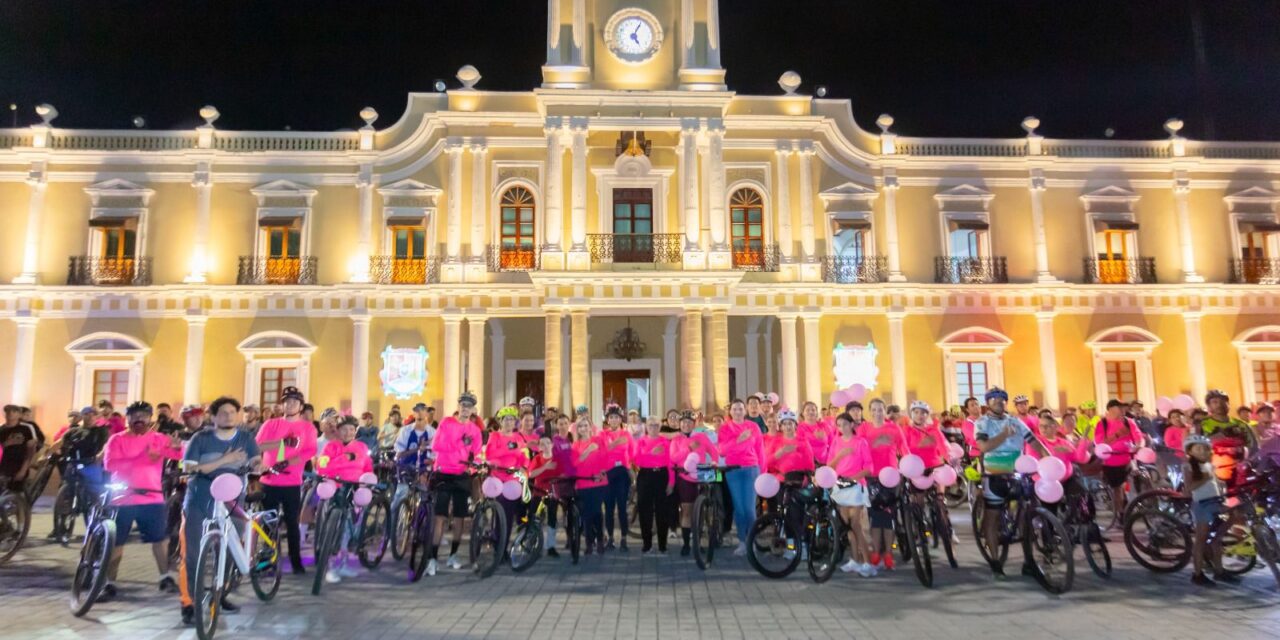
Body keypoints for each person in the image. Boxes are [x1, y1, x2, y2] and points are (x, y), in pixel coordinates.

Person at [178, 396, 260, 624]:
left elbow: (256, 459)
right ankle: (189, 603)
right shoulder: (200, 439)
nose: (228, 416)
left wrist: (257, 464)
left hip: (233, 499)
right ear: (213, 417)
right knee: (192, 553)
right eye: (223, 413)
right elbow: (190, 468)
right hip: (199, 499)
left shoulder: (245, 437)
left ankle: (219, 594)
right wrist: (226, 459)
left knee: (230, 550)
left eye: (233, 412)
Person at [100, 401, 183, 602]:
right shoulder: (116, 440)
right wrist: (142, 457)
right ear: (127, 418)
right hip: (123, 498)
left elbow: (177, 455)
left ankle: (165, 577)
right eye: (134, 416)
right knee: (116, 542)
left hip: (152, 496)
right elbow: (110, 464)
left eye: (144, 416)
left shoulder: (159, 438)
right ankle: (109, 583)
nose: (139, 419)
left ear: (150, 418)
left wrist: (177, 447)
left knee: (159, 540)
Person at [975, 387, 1048, 577]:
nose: (999, 402)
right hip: (995, 472)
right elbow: (983, 446)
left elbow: (1034, 443)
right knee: (993, 516)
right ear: (988, 403)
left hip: (1017, 470)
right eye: (994, 399)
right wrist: (1004, 435)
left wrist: (1048, 459)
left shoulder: (1015, 421)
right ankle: (995, 560)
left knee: (1027, 514)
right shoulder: (982, 422)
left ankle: (1029, 561)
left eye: (1002, 399)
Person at [255, 386, 317, 575]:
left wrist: (288, 462)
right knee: (267, 522)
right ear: (282, 404)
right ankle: (267, 558)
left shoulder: (307, 427)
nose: (290, 405)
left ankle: (295, 560)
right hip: (269, 480)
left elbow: (310, 451)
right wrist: (279, 446)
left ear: (300, 405)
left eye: (294, 402)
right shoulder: (270, 424)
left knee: (292, 522)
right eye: (287, 401)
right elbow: (257, 445)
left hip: (291, 482)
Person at [429, 392, 483, 573]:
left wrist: (475, 467)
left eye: (469, 406)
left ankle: (453, 555)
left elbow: (476, 454)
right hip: (443, 473)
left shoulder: (475, 430)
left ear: (473, 410)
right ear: (459, 407)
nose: (466, 409)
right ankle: (433, 558)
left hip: (461, 475)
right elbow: (436, 446)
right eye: (463, 405)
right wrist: (459, 444)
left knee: (461, 518)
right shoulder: (446, 423)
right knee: (440, 517)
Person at [317, 415, 374, 583]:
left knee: (352, 527)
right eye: (344, 429)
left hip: (356, 489)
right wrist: (345, 459)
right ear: (338, 431)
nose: (348, 433)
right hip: (336, 488)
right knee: (334, 528)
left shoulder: (362, 447)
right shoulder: (329, 447)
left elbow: (368, 468)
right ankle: (332, 565)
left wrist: (368, 480)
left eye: (351, 430)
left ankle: (343, 562)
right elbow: (322, 466)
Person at [856, 398, 907, 570]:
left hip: (891, 475)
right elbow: (858, 450)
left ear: (885, 411)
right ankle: (877, 552)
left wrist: (908, 466)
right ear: (870, 412)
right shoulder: (864, 428)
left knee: (889, 516)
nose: (878, 413)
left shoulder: (893, 428)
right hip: (871, 476)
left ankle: (889, 554)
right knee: (875, 517)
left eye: (880, 409)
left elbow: (904, 449)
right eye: (874, 410)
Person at [826, 412, 876, 576]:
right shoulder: (836, 442)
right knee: (847, 526)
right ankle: (855, 559)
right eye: (839, 425)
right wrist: (840, 456)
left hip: (855, 487)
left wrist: (853, 479)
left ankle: (868, 562)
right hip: (840, 486)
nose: (842, 428)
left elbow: (869, 467)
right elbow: (829, 465)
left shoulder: (860, 442)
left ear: (852, 425)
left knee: (856, 524)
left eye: (845, 424)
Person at [719, 399, 765, 557]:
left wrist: (762, 472)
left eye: (740, 409)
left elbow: (760, 450)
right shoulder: (725, 428)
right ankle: (742, 541)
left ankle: (752, 541)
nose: (738, 412)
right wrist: (739, 439)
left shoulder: (753, 427)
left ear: (745, 411)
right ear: (730, 412)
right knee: (739, 509)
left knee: (750, 509)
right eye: (735, 409)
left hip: (751, 469)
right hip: (733, 471)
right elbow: (722, 450)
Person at [767, 410, 815, 560]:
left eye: (790, 424)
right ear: (781, 426)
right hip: (782, 482)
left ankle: (804, 547)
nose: (788, 427)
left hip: (800, 481)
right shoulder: (776, 442)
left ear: (795, 425)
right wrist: (780, 453)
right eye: (785, 424)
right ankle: (790, 547)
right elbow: (767, 462)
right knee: (786, 515)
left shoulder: (802, 441)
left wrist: (808, 477)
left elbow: (810, 463)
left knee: (801, 515)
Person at [669, 410, 717, 556]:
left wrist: (714, 461)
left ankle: (698, 541)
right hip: (685, 477)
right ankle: (686, 544)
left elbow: (713, 451)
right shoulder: (676, 440)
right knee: (687, 511)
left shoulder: (702, 436)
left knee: (702, 511)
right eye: (683, 422)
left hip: (702, 474)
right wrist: (688, 449)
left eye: (689, 423)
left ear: (694, 424)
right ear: (680, 424)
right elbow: (673, 458)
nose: (686, 425)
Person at [484, 407, 530, 560]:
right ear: (501, 421)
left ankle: (503, 547)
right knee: (500, 513)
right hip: (497, 479)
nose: (509, 422)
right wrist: (511, 451)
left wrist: (524, 466)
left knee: (508, 515)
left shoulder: (518, 437)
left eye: (512, 419)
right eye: (506, 419)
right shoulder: (494, 436)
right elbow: (491, 454)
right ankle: (498, 546)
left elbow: (524, 456)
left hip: (512, 479)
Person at [1183, 434, 1228, 586]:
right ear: (1190, 451)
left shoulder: (1209, 464)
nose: (1202, 451)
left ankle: (1219, 571)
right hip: (1202, 505)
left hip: (1215, 502)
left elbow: (1215, 483)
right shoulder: (1188, 466)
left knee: (1217, 538)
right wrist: (1206, 478)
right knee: (1200, 541)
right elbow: (1189, 489)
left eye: (1205, 448)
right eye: (1198, 448)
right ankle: (1197, 574)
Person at [1093, 399, 1144, 522]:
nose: (1122, 411)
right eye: (1119, 408)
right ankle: (1120, 513)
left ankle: (1132, 508)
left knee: (1130, 485)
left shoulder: (1129, 421)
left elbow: (1139, 437)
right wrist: (1117, 435)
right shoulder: (1102, 424)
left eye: (1123, 408)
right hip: (1110, 462)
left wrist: (1139, 445)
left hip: (1128, 459)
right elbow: (1100, 443)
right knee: (1117, 489)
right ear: (1110, 409)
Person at [1200, 389, 1258, 489]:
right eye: (1215, 402)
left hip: (1241, 468)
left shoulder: (1242, 424)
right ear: (1209, 406)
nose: (1220, 404)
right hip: (1213, 471)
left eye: (1223, 401)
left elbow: (1253, 446)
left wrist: (1247, 462)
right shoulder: (1201, 425)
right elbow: (1195, 449)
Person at [633, 416, 673, 555]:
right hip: (645, 476)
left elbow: (670, 463)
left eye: (656, 425)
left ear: (660, 427)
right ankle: (647, 544)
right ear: (646, 427)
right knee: (645, 512)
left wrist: (671, 482)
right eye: (651, 425)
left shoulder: (666, 442)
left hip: (662, 476)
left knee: (663, 512)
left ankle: (663, 545)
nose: (654, 427)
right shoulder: (640, 442)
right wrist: (651, 453)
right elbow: (637, 460)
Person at [596, 404, 634, 551]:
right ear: (607, 419)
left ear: (620, 419)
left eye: (616, 417)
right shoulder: (602, 435)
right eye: (611, 417)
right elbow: (600, 453)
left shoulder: (626, 434)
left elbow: (632, 452)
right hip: (608, 473)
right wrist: (615, 444)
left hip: (622, 473)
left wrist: (631, 467)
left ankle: (624, 539)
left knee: (622, 508)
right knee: (609, 507)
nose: (614, 420)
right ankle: (610, 538)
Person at [570, 417, 609, 555]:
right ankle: (589, 543)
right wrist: (588, 450)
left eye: (586, 426)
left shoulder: (598, 440)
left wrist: (602, 471)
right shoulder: (575, 445)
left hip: (598, 482)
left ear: (590, 427)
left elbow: (606, 458)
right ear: (577, 429)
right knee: (586, 515)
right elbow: (575, 463)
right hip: (583, 483)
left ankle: (600, 541)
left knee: (597, 512)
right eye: (580, 426)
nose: (583, 429)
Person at [527, 434, 563, 557]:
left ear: (552, 445)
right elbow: (531, 474)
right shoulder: (537, 458)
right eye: (542, 444)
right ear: (539, 447)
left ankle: (551, 546)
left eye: (548, 443)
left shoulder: (558, 459)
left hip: (553, 493)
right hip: (538, 492)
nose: (546, 446)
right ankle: (532, 542)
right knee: (532, 517)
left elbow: (564, 473)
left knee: (552, 518)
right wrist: (545, 467)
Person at [0, 404, 40, 491]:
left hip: (19, 465)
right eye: (8, 411)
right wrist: (6, 444)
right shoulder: (1, 429)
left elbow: (31, 449)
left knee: (16, 493)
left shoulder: (26, 428)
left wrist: (23, 470)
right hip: (3, 466)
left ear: (19, 414)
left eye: (14, 411)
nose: (10, 413)